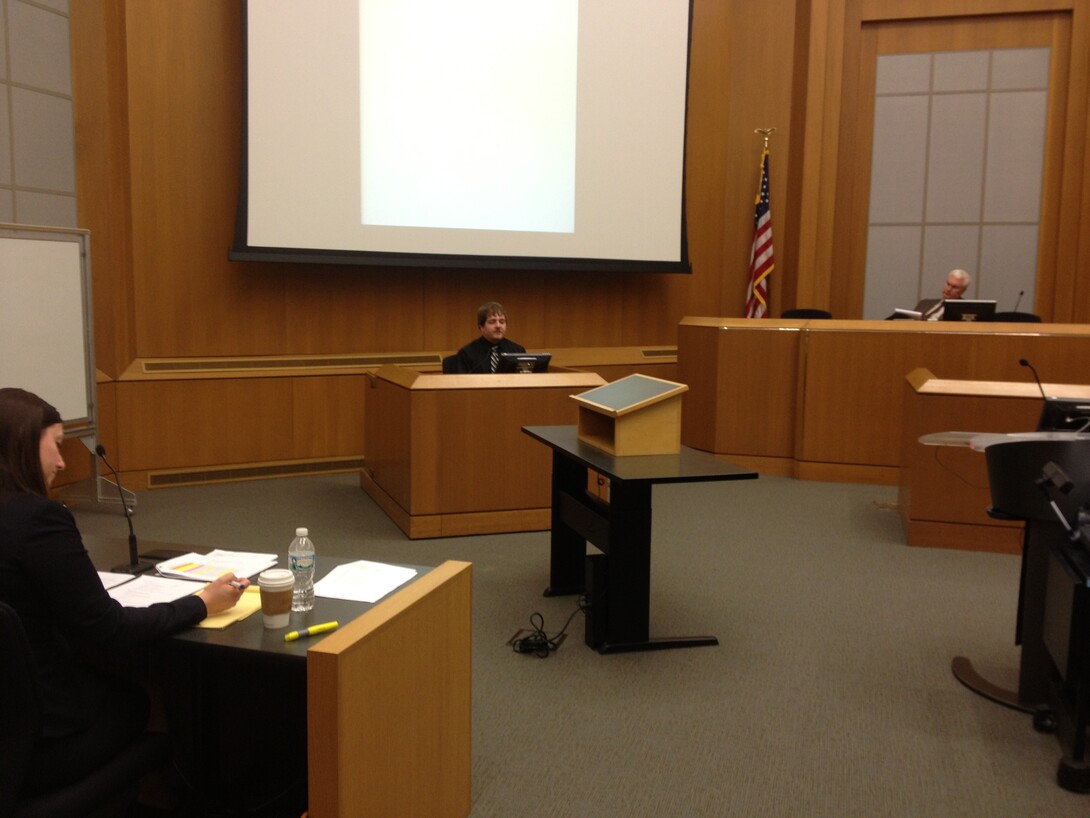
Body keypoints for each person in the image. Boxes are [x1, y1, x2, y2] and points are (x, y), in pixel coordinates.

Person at [0, 387, 247, 796]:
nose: (62, 463)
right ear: (22, 444)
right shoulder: (37, 521)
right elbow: (108, 628)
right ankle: (174, 800)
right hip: (38, 741)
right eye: (57, 446)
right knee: (144, 695)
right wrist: (201, 602)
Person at [454, 302, 526, 373]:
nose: (498, 326)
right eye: (492, 322)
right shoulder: (467, 353)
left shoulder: (518, 351)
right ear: (481, 327)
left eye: (502, 321)